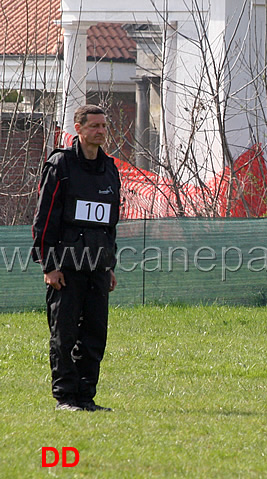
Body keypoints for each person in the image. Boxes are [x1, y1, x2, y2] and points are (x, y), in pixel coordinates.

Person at [32, 105, 120, 412]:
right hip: (66, 267)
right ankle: (65, 398)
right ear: (78, 128)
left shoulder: (110, 169)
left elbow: (110, 224)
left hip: (97, 266)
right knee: (64, 334)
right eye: (94, 125)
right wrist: (49, 266)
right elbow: (44, 220)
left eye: (103, 126)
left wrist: (109, 266)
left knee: (95, 335)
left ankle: (86, 398)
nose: (100, 131)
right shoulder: (61, 165)